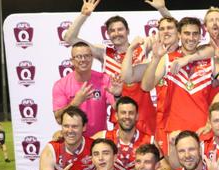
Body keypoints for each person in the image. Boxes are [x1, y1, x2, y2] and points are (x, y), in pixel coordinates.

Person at [64, 0, 168, 135]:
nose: (116, 33)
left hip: (145, 114)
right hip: (120, 116)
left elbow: (170, 32)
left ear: (127, 31)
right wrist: (83, 15)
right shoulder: (104, 53)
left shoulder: (142, 46)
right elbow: (69, 39)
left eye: (120, 29)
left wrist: (162, 9)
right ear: (107, 34)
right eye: (112, 30)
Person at [141, 17, 217, 148]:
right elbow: (146, 86)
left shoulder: (209, 60)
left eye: (195, 34)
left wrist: (212, 121)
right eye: (187, 33)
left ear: (200, 36)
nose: (191, 38)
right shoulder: (168, 59)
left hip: (203, 131)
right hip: (174, 132)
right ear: (179, 35)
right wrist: (156, 59)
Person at [52, 42, 122, 136]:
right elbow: (59, 119)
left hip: (99, 141)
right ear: (72, 61)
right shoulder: (61, 85)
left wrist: (117, 95)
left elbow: (118, 109)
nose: (83, 60)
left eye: (87, 56)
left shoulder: (105, 79)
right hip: (74, 140)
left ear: (92, 58)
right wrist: (75, 103)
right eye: (79, 56)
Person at [91, 97, 155, 170]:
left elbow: (165, 167)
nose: (127, 116)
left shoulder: (150, 141)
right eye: (123, 113)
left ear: (137, 116)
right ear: (116, 116)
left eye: (131, 113)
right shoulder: (102, 137)